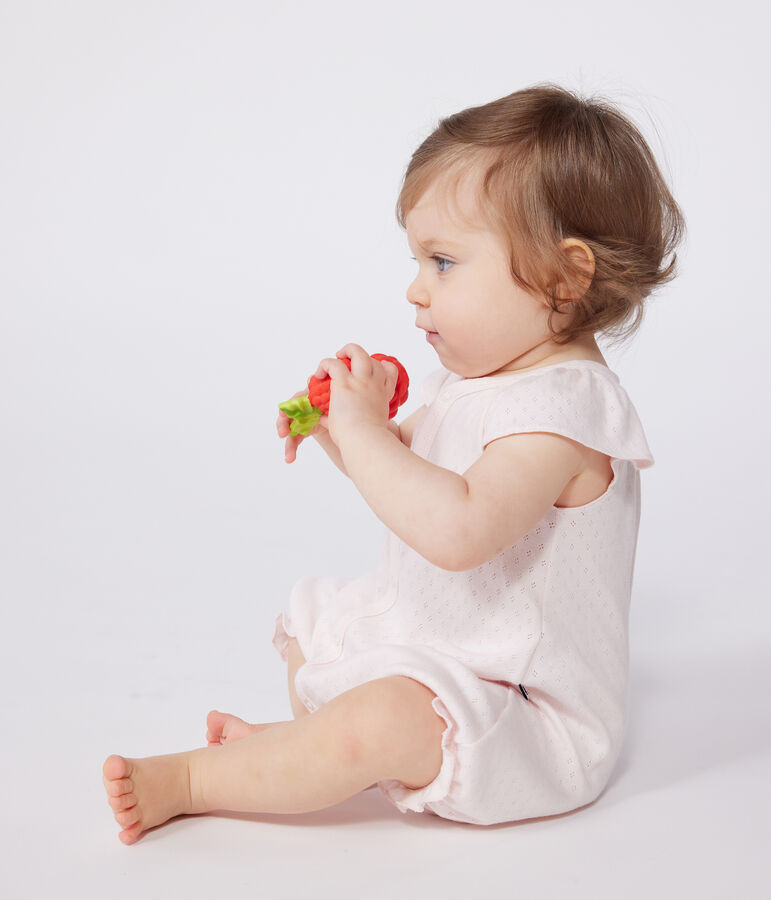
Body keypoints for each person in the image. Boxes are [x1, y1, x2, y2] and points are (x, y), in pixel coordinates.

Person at [102, 83, 685, 843]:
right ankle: (294, 754)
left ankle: (191, 780)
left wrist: (365, 434)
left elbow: (458, 527)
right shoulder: (483, 380)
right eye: (416, 259)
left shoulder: (565, 416)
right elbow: (414, 482)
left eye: (442, 262)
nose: (414, 291)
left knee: (379, 717)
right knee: (319, 632)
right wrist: (344, 433)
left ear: (563, 279)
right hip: (447, 648)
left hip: (522, 716)